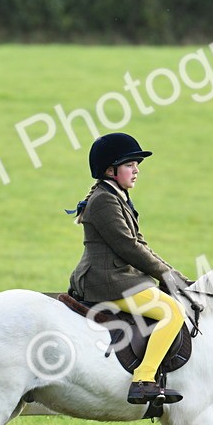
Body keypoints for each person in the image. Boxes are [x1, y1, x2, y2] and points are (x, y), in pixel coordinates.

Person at [67, 133, 196, 405]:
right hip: (107, 280)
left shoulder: (117, 196)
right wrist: (167, 277)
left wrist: (172, 274)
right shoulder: (104, 200)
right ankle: (144, 379)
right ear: (109, 170)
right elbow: (128, 247)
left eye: (137, 164)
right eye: (130, 165)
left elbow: (140, 244)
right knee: (172, 311)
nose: (136, 170)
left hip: (118, 277)